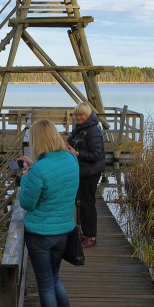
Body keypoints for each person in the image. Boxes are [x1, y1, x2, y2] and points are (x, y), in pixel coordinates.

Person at [17, 119, 80, 307]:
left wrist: (26, 177)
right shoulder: (71, 160)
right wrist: (34, 168)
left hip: (41, 236)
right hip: (64, 231)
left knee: (45, 286)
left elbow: (26, 202)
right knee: (55, 279)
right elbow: (56, 181)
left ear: (38, 140)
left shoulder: (39, 171)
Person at [65, 102, 106, 248]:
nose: (77, 117)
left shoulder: (93, 131)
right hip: (81, 171)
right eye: (75, 114)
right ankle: (84, 233)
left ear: (87, 115)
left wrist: (77, 153)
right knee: (81, 203)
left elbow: (95, 154)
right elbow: (73, 143)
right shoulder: (80, 128)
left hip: (91, 172)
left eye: (80, 114)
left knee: (88, 205)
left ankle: (91, 237)